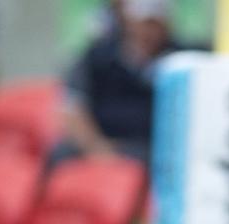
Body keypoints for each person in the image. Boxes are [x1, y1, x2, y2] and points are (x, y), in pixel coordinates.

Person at [52, 0, 186, 166]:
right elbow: (73, 107)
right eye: (145, 23)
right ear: (128, 20)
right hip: (101, 142)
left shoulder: (183, 60)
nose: (149, 31)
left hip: (148, 149)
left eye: (155, 23)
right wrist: (97, 148)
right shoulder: (97, 55)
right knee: (60, 154)